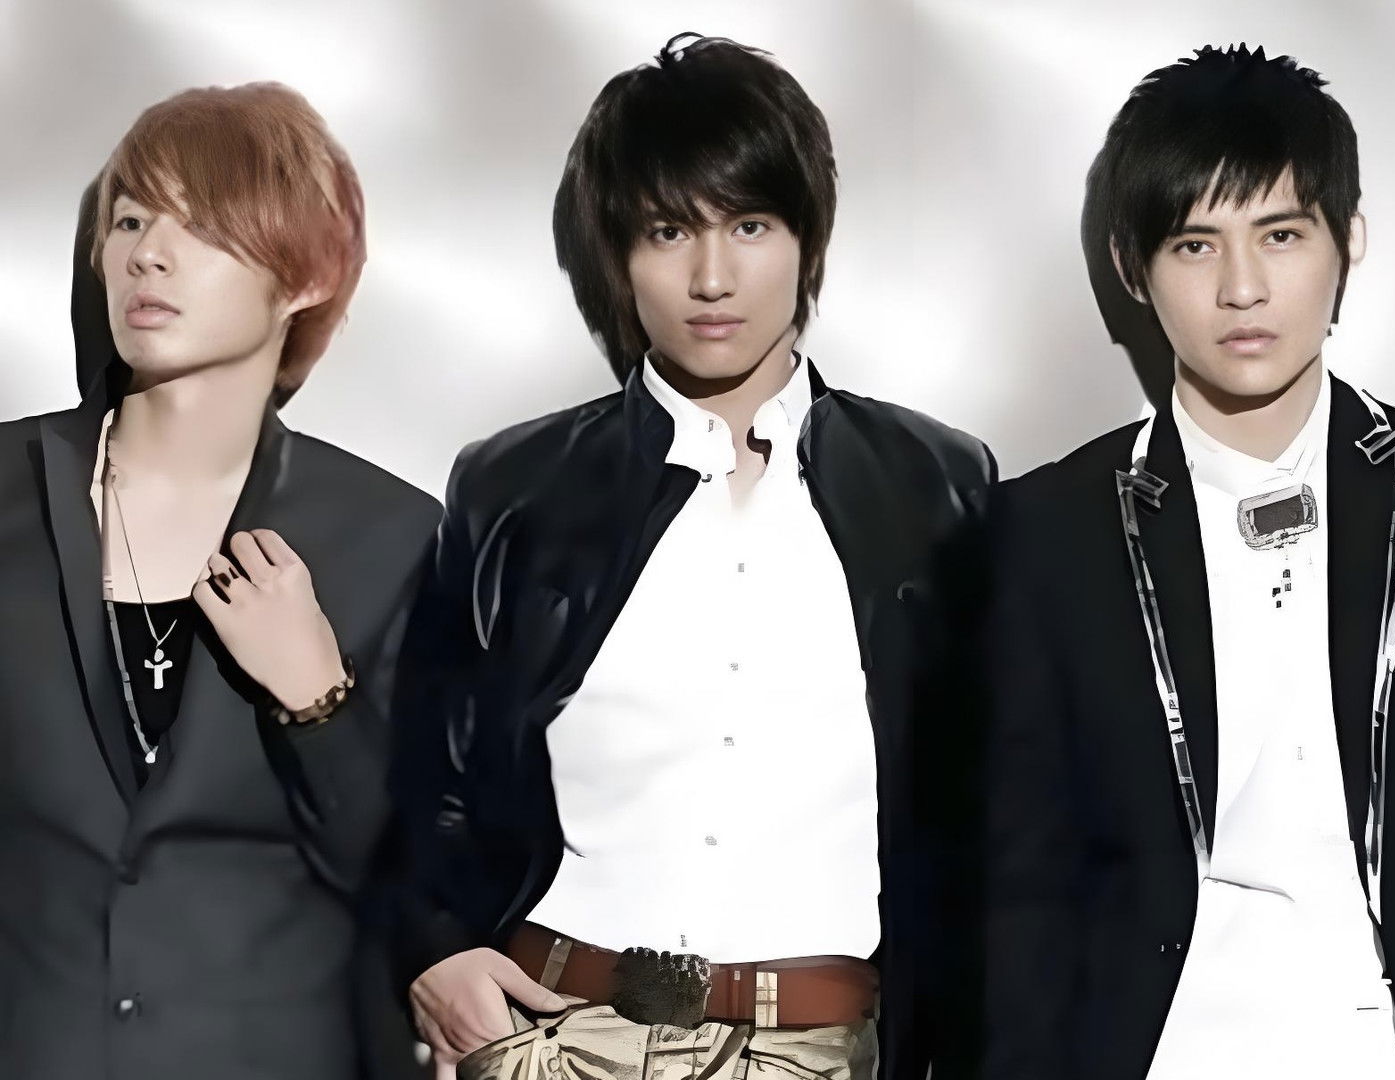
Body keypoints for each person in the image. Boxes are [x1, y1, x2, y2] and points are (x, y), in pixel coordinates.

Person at [390, 34, 994, 1080]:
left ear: (806, 238)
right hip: (556, 1035)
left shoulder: (936, 484)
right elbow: (428, 771)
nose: (712, 278)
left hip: (824, 1048)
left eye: (750, 225)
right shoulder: (514, 487)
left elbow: (992, 802)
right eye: (669, 231)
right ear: (620, 253)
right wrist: (435, 949)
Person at [971, 44, 1395, 1080]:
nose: (1243, 289)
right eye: (1195, 245)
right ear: (1131, 267)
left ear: (1349, 240)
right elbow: (1017, 885)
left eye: (1281, 235)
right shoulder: (1046, 531)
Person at [0, 83, 440, 1078]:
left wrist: (320, 701)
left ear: (305, 277)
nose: (149, 254)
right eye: (130, 221)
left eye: (201, 227)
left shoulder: (392, 538)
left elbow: (426, 890)